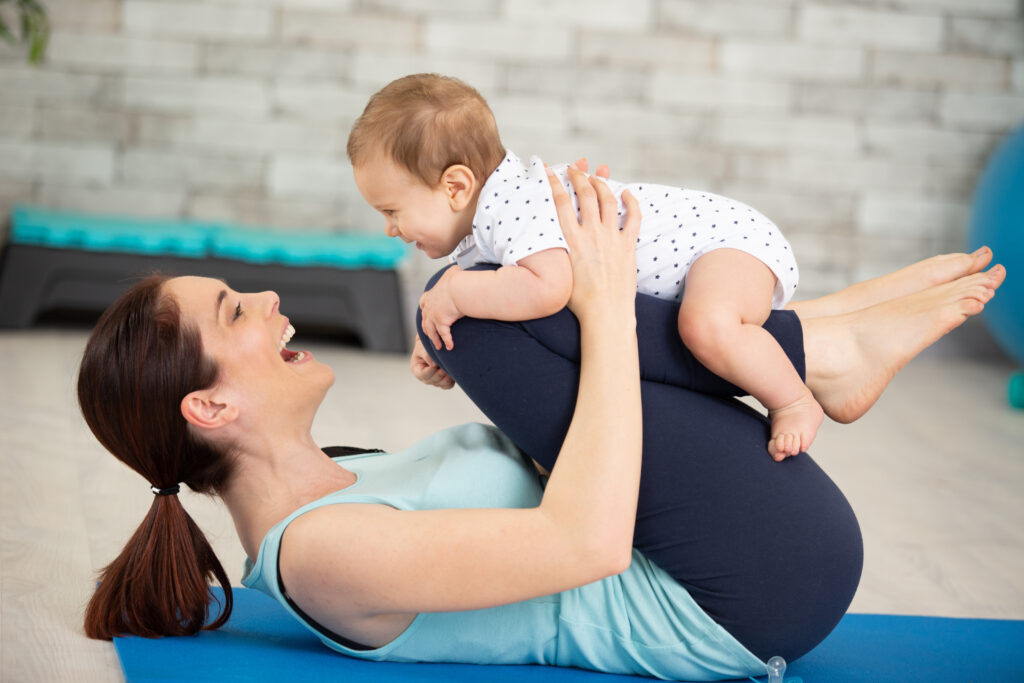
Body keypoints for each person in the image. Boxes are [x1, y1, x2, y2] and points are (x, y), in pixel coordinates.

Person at [78, 166, 1004, 681]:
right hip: (741, 596)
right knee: (467, 305)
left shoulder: (345, 477)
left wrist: (527, 364)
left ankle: (817, 341)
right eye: (237, 311)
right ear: (210, 407)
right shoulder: (314, 554)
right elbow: (589, 541)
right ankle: (821, 346)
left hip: (730, 557)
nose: (270, 295)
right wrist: (598, 305)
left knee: (471, 304)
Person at [348, 73, 818, 461]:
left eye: (392, 211)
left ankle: (795, 399)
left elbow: (548, 288)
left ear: (455, 187)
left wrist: (452, 294)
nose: (390, 228)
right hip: (711, 251)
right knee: (697, 331)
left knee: (707, 326)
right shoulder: (484, 225)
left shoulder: (516, 204)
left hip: (727, 240)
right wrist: (435, 331)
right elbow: (489, 288)